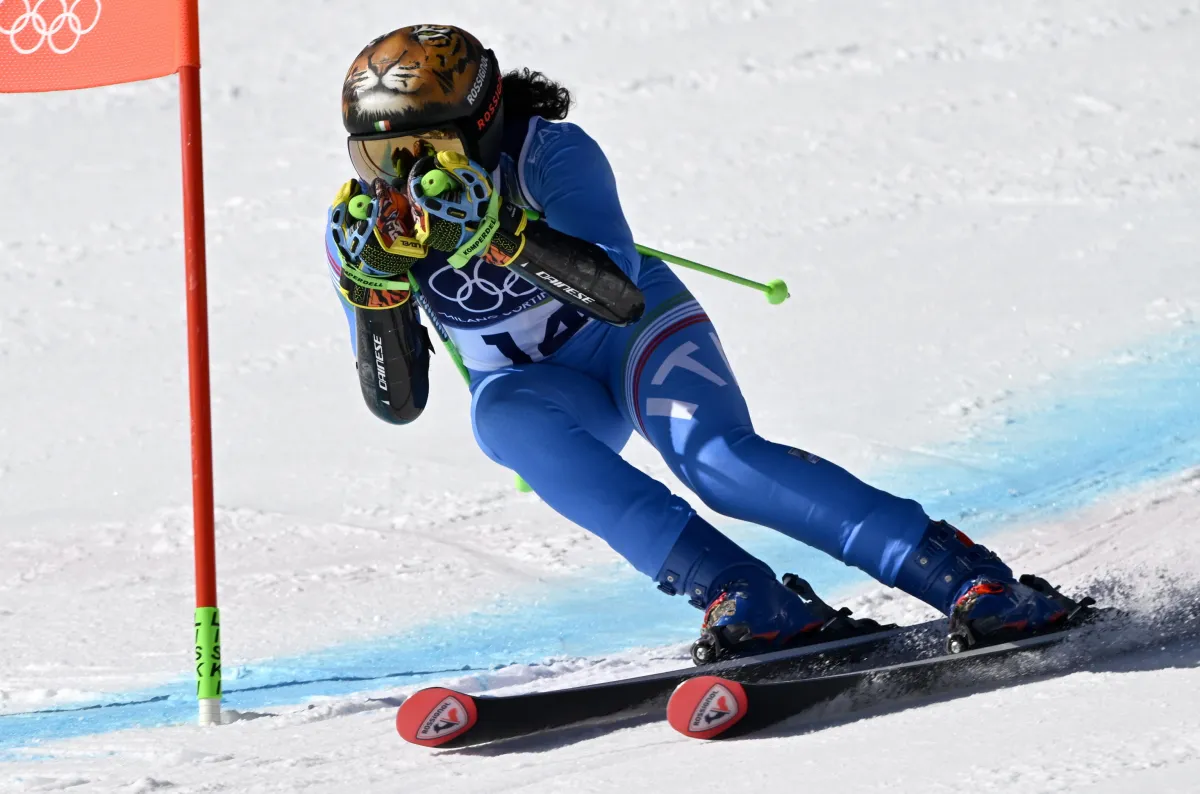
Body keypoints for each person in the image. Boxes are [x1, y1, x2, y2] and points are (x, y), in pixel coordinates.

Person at [325, 24, 1084, 662]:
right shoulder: (366, 224)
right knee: (501, 420)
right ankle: (742, 593)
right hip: (549, 391)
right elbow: (397, 403)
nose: (403, 175)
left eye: (428, 145)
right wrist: (372, 292)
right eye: (378, 156)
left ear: (484, 120)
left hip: (631, 337)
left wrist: (503, 233)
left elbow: (618, 294)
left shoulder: (550, 155)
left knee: (717, 463)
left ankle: (966, 577)